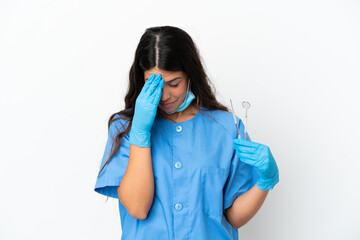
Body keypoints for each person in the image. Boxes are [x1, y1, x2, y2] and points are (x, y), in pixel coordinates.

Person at [94, 26, 279, 240]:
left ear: (190, 75)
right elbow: (137, 208)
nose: (164, 96)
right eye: (152, 85)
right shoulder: (125, 127)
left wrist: (265, 180)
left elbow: (234, 217)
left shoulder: (227, 127)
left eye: (174, 84)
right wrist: (140, 133)